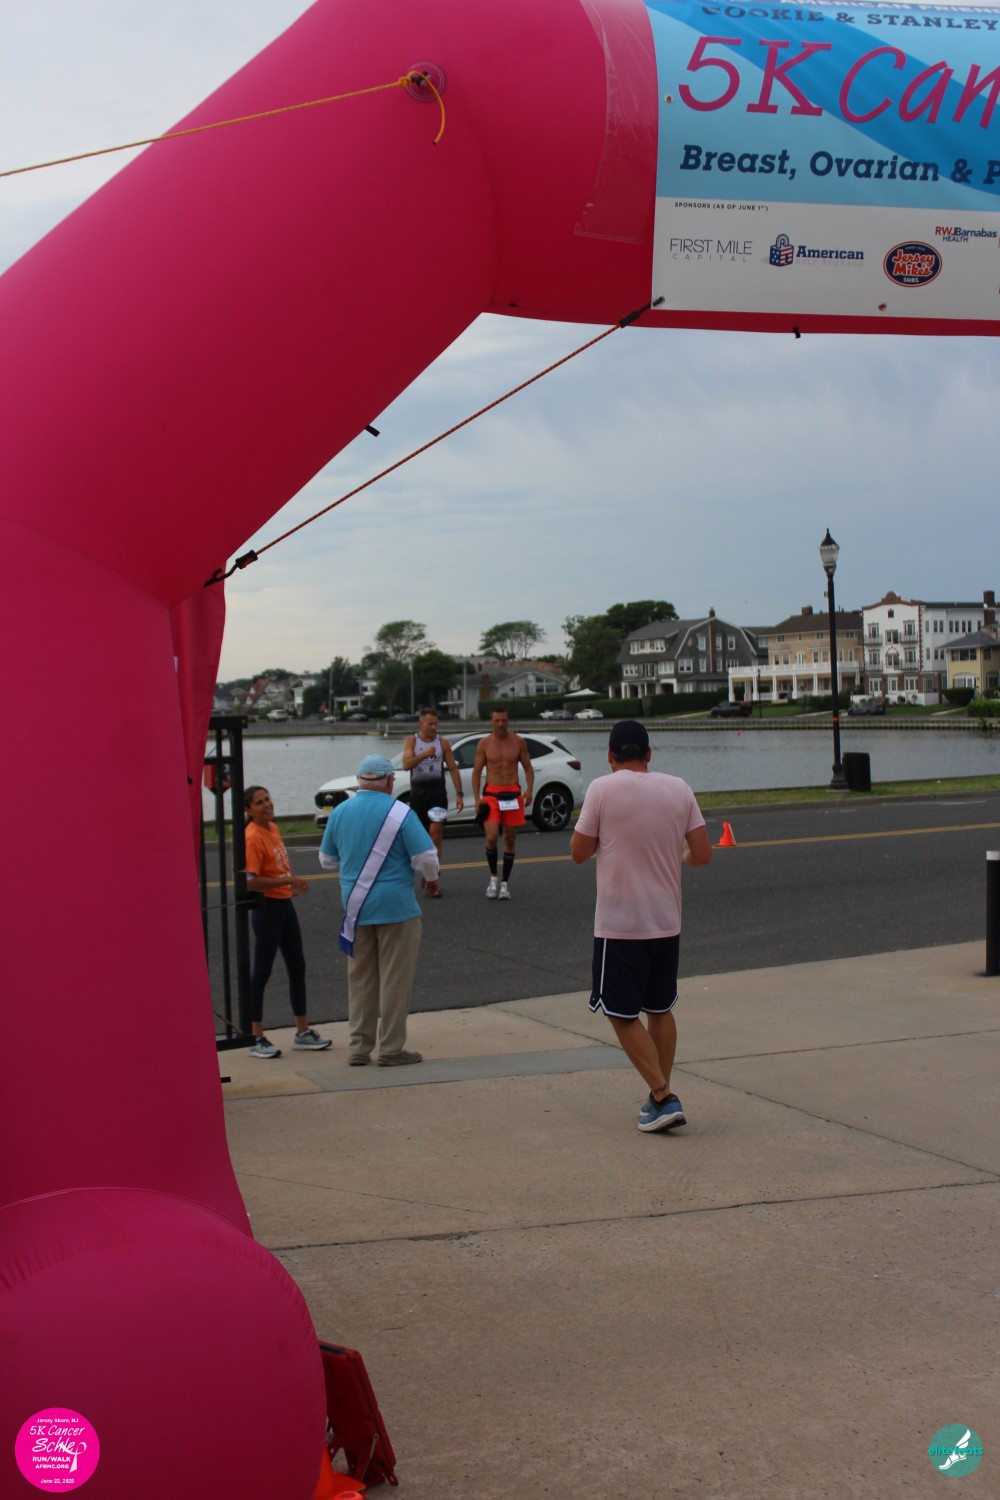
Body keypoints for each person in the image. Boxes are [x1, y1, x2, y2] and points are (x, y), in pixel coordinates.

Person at [569, 721, 712, 1133]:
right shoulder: (679, 788)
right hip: (666, 921)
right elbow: (702, 854)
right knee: (660, 1008)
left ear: (610, 756)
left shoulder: (601, 788)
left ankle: (663, 1096)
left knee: (619, 1012)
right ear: (649, 754)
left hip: (620, 925)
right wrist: (679, 854)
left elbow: (578, 851)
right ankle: (657, 1096)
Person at [319, 754, 438, 1066]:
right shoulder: (401, 812)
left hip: (355, 907)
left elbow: (327, 860)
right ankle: (391, 1048)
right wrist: (431, 878)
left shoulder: (340, 811)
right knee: (395, 980)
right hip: (396, 907)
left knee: (360, 980)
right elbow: (426, 858)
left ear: (359, 779)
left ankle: (359, 1048)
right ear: (389, 781)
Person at [242, 785, 332, 1058]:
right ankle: (255, 1037)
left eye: (267, 798)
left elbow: (278, 868)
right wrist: (288, 880)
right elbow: (250, 882)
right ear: (248, 810)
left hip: (284, 905)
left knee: (297, 966)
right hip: (267, 909)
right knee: (262, 972)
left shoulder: (272, 827)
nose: (267, 804)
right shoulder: (252, 837)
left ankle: (302, 1033)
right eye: (259, 802)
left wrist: (290, 881)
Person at [472, 708, 534, 899]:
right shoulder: (484, 744)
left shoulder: (518, 742)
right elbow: (476, 772)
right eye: (497, 720)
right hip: (491, 795)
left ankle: (505, 884)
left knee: (509, 838)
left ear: (508, 721)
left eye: (504, 720)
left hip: (512, 794)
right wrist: (476, 798)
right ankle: (493, 878)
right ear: (491, 722)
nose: (500, 724)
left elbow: (528, 767)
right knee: (491, 837)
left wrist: (529, 789)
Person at [402, 709, 464, 896]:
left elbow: (453, 768)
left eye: (436, 723)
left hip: (437, 795)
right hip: (418, 796)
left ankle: (434, 878)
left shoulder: (442, 743)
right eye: (430, 723)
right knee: (421, 840)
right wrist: (423, 755)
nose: (434, 727)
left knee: (435, 835)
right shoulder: (412, 741)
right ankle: (427, 872)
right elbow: (406, 765)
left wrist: (459, 794)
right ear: (421, 724)